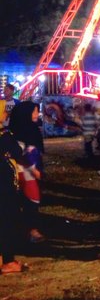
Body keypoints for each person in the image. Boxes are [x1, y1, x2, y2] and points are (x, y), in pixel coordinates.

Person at [9, 102, 45, 243]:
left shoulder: (33, 130)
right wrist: (33, 169)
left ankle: (27, 229)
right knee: (30, 200)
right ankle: (31, 231)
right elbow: (21, 154)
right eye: (35, 111)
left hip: (31, 171)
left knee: (31, 200)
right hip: (23, 173)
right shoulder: (17, 133)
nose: (37, 114)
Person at [0, 101, 26, 274]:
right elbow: (17, 151)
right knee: (6, 221)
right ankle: (8, 261)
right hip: (5, 187)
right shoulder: (4, 136)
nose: (6, 114)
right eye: (3, 111)